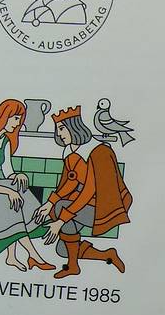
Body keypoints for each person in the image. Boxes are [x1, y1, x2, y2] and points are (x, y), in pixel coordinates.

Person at [33, 106, 132, 279]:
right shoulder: (71, 152)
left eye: (62, 128)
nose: (59, 134)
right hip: (84, 205)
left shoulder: (97, 151)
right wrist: (49, 204)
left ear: (74, 126)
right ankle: (107, 256)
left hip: (103, 206)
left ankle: (73, 266)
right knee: (63, 249)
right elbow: (69, 182)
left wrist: (60, 221)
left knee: (61, 208)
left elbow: (88, 191)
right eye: (57, 129)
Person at [0, 99, 54, 271]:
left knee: (19, 191)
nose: (18, 123)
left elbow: (7, 171)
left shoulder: (5, 141)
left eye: (20, 120)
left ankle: (12, 257)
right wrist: (7, 191)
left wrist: (17, 175)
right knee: (9, 198)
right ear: (5, 116)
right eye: (16, 119)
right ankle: (33, 255)